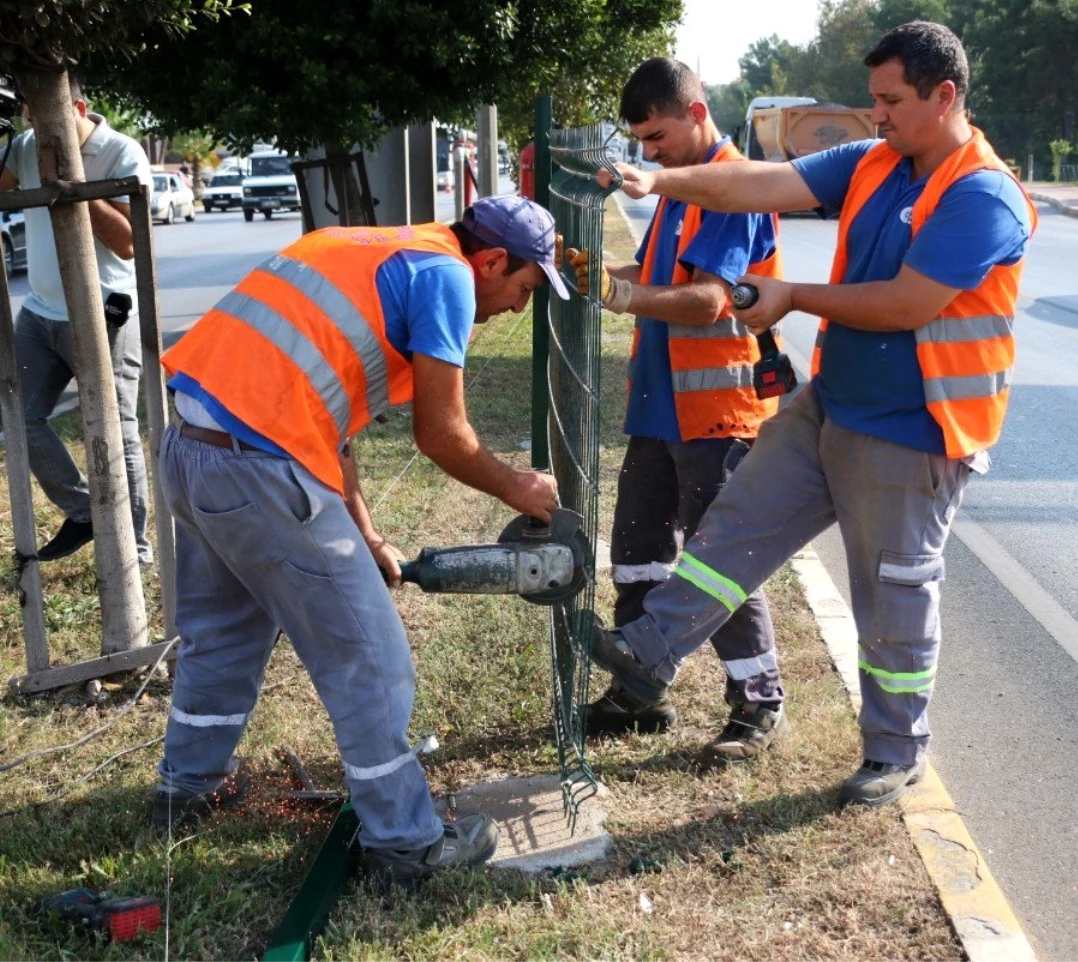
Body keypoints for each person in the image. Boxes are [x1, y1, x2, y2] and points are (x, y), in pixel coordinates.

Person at [591, 21, 1036, 807]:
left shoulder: (982, 193)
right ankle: (644, 654)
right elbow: (757, 184)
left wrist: (792, 297)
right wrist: (658, 182)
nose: (878, 116)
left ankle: (895, 752)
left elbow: (907, 303)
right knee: (732, 530)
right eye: (873, 100)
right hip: (830, 406)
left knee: (892, 596)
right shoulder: (875, 161)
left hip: (917, 431)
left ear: (946, 96)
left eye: (892, 101)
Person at [151, 195, 566, 887]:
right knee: (371, 661)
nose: (518, 307)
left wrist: (365, 532)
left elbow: (325, 414)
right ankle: (406, 841)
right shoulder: (448, 277)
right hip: (258, 468)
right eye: (523, 288)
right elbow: (442, 434)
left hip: (190, 447)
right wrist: (518, 488)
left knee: (222, 634)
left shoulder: (367, 246)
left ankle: (186, 787)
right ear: (492, 260)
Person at [567, 58, 787, 765]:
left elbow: (708, 301)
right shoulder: (679, 189)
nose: (650, 154)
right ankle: (640, 686)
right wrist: (600, 275)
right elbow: (665, 278)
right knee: (636, 553)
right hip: (662, 411)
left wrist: (619, 295)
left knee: (718, 561)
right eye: (642, 141)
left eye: (656, 137)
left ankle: (757, 701)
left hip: (717, 416)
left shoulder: (734, 190)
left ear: (695, 114)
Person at [0, 76, 154, 564]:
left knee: (115, 426)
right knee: (17, 419)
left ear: (79, 107)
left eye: (45, 117)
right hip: (40, 315)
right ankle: (84, 510)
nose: (35, 128)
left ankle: (136, 543)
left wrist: (78, 189)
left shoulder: (122, 151)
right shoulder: (23, 148)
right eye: (29, 115)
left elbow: (131, 242)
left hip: (103, 314)